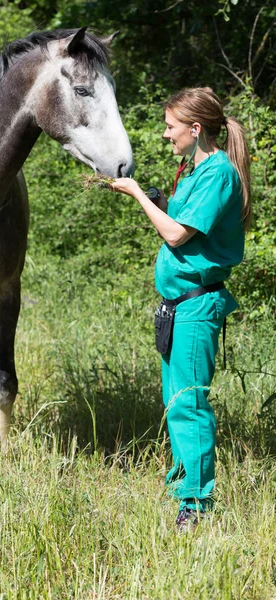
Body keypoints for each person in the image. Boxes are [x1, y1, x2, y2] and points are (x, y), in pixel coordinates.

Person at [111, 87, 251, 532]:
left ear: (196, 128)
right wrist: (158, 197)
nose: (165, 133)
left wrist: (138, 195)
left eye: (171, 126)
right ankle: (181, 486)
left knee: (189, 405)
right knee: (175, 404)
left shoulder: (219, 174)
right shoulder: (192, 172)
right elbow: (181, 218)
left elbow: (175, 235)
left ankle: (195, 504)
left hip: (196, 306)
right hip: (177, 308)